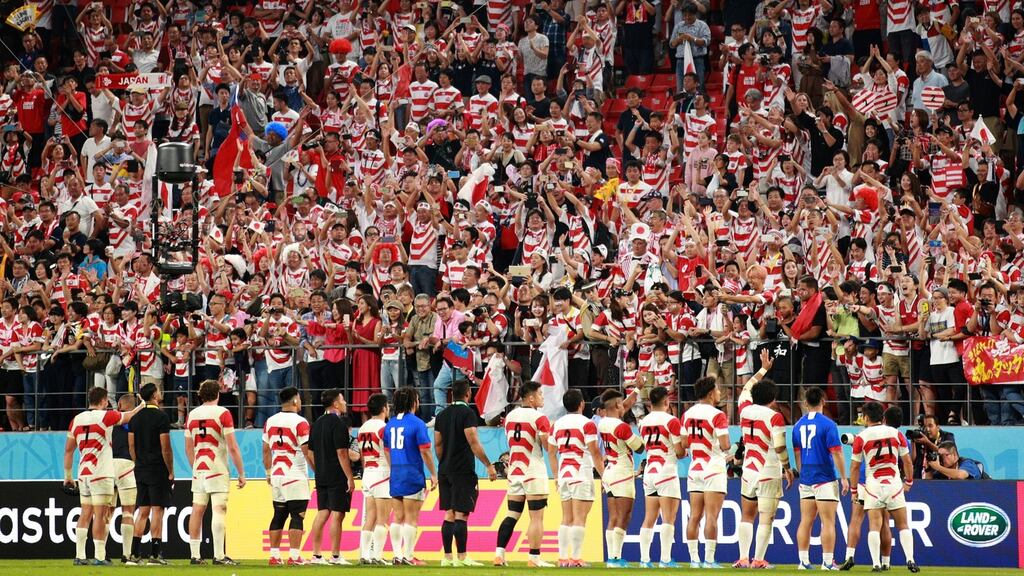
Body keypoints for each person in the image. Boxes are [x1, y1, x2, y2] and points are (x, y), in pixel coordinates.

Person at [63, 387, 143, 565]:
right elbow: (128, 416)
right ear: (103, 401)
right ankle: (99, 556)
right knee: (100, 515)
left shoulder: (76, 420)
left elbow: (68, 450)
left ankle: (80, 556)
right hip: (101, 473)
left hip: (83, 473)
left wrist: (67, 476)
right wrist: (142, 405)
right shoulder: (106, 416)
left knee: (85, 514)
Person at [734, 357, 794, 569]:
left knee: (747, 516)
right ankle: (758, 560)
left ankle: (742, 558)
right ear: (773, 398)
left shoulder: (744, 410)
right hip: (768, 471)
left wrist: (763, 369)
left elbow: (746, 388)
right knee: (766, 518)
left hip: (748, 470)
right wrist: (787, 468)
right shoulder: (774, 417)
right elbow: (779, 447)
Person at [849, 402, 920, 573]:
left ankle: (875, 564)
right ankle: (910, 559)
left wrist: (853, 490)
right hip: (894, 483)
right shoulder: (896, 434)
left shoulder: (861, 437)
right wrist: (909, 481)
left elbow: (854, 467)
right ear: (882, 417)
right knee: (903, 524)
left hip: (873, 484)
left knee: (874, 525)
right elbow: (907, 461)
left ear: (866, 418)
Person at [434, 379, 497, 566]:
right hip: (462, 470)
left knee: (449, 514)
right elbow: (473, 441)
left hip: (445, 469)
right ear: (468, 393)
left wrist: (444, 462)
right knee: (461, 514)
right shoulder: (468, 413)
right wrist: (488, 464)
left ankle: (447, 558)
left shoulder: (442, 415)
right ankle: (462, 557)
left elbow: (438, 444)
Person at [494, 381, 557, 568]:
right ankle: (534, 558)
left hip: (514, 470)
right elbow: (546, 447)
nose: (542, 397)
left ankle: (499, 554)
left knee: (512, 513)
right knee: (536, 517)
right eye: (540, 394)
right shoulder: (540, 418)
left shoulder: (509, 417)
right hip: (533, 469)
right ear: (530, 397)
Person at [184, 379, 246, 566]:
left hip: (199, 468)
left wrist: (195, 468)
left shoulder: (192, 415)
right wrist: (241, 472)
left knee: (197, 510)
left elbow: (188, 448)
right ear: (217, 394)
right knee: (219, 509)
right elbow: (233, 447)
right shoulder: (223, 413)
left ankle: (195, 555)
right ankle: (219, 556)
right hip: (217, 467)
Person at [793, 386, 849, 570]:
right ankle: (826, 562)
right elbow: (837, 453)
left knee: (806, 521)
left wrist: (803, 474)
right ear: (823, 401)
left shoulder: (798, 425)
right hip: (824, 477)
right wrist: (843, 477)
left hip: (807, 478)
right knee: (828, 522)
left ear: (805, 403)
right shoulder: (828, 425)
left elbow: (798, 454)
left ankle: (803, 561)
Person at [550, 388, 605, 568]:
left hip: (565, 474)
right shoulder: (587, 424)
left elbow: (551, 453)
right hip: (581, 472)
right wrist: (604, 476)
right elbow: (595, 452)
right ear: (581, 404)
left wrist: (556, 476)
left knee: (566, 517)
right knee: (580, 517)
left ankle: (563, 559)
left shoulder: (556, 424)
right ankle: (576, 559)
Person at [384, 387, 437, 566]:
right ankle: (408, 555)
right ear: (414, 402)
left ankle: (397, 555)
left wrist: (394, 469)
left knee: (397, 516)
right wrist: (433, 474)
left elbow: (387, 451)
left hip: (396, 474)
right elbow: (426, 451)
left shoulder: (390, 424)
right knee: (411, 517)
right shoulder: (417, 423)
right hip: (412, 473)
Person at [681, 376, 731, 569]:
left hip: (695, 468)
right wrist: (725, 448)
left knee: (694, 516)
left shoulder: (687, 414)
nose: (719, 393)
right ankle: (709, 560)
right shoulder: (718, 415)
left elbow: (685, 444)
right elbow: (725, 444)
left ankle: (694, 559)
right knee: (712, 517)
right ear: (711, 393)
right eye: (718, 390)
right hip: (713, 467)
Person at [263, 386, 313, 566]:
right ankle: (294, 555)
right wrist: (317, 470)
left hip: (277, 473)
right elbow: (307, 451)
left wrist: (268, 472)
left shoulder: (270, 421)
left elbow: (266, 450)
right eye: (299, 398)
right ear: (294, 401)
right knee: (297, 516)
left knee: (278, 515)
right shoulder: (300, 422)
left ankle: (275, 556)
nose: (300, 402)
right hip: (295, 473)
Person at [637, 386, 685, 568]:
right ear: (666, 401)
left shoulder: (643, 422)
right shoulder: (672, 421)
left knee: (649, 517)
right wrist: (683, 452)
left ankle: (644, 559)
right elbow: (679, 452)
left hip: (650, 471)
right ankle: (665, 559)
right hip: (666, 470)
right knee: (668, 518)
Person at [596, 388, 643, 567]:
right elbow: (639, 447)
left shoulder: (603, 422)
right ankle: (616, 557)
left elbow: (623, 406)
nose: (624, 407)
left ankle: (612, 557)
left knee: (614, 516)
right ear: (616, 405)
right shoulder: (621, 427)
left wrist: (636, 391)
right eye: (621, 404)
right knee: (624, 516)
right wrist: (642, 430)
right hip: (622, 473)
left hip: (610, 472)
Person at [308, 388, 355, 565]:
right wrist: (349, 477)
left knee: (322, 513)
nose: (345, 403)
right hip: (337, 475)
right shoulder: (339, 424)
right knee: (337, 514)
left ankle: (316, 554)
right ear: (335, 403)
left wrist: (318, 470)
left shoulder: (316, 423)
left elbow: (310, 453)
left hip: (321, 476)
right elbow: (342, 453)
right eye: (342, 400)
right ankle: (335, 556)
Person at [128, 382, 174, 565]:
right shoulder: (161, 417)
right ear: (155, 395)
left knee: (143, 511)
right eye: (159, 391)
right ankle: (155, 555)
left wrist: (136, 462)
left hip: (141, 468)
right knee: (157, 511)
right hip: (157, 469)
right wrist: (170, 470)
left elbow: (131, 445)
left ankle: (134, 554)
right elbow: (166, 448)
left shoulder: (135, 418)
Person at [357, 393, 392, 564]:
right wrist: (395, 472)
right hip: (382, 472)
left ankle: (365, 554)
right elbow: (387, 451)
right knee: (382, 518)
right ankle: (377, 555)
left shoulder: (363, 428)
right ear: (384, 408)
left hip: (368, 473)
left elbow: (363, 455)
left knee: (370, 517)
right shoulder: (384, 428)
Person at [111, 394, 139, 565]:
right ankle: (126, 555)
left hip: (108, 467)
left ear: (120, 404)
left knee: (104, 513)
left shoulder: (110, 420)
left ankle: (101, 554)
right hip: (127, 466)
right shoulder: (136, 422)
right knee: (128, 512)